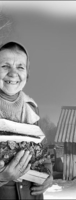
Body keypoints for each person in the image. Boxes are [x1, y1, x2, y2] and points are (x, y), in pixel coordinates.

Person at [0, 41, 53, 199]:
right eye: (5, 66)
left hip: (30, 194)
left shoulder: (32, 108)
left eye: (20, 67)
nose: (13, 73)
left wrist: (48, 175)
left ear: (27, 75)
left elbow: (40, 150)